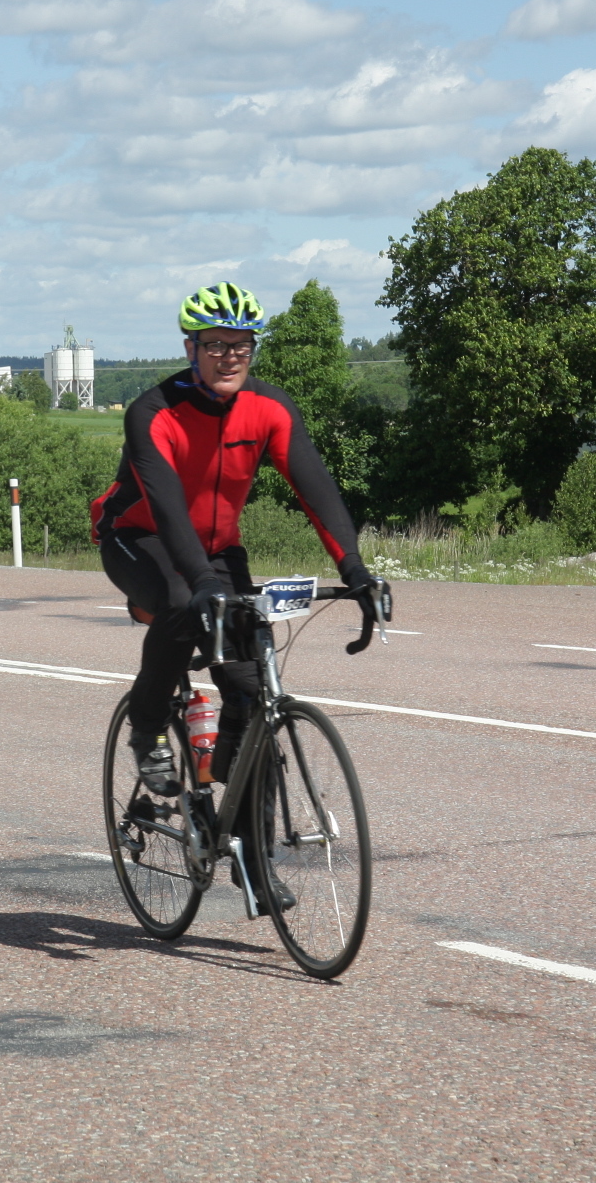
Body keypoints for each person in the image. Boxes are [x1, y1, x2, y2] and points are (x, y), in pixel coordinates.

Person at [92, 282, 377, 911]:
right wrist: (201, 585)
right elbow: (168, 509)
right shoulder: (153, 413)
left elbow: (316, 488)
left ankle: (250, 856)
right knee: (179, 601)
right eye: (216, 344)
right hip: (140, 537)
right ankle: (147, 728)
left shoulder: (269, 408)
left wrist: (354, 568)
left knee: (254, 692)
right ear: (190, 349)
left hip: (218, 550)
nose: (230, 356)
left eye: (241, 345)